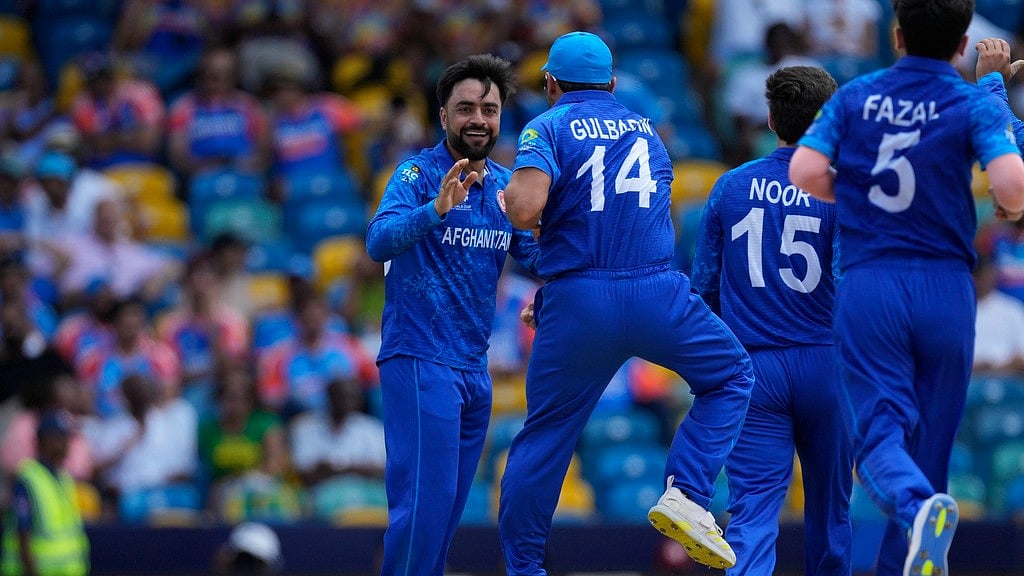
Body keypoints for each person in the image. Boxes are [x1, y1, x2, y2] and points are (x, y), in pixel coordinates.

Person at [497, 31, 754, 573]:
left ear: (550, 83)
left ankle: (524, 569)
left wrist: (507, 200)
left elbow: (525, 210)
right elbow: (651, 219)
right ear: (612, 84)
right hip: (656, 292)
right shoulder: (647, 130)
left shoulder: (548, 124)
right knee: (732, 376)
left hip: (581, 304)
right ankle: (688, 493)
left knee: (545, 440)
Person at [788, 2, 1024, 575]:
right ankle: (918, 554)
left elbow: (803, 171)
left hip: (874, 283)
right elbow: (1013, 188)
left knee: (878, 436)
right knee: (932, 448)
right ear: (964, 41)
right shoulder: (972, 101)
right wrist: (992, 87)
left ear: (895, 34)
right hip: (948, 288)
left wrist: (853, 190)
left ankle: (919, 510)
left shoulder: (854, 96)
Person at [364, 54, 540, 575]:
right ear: (443, 116)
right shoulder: (417, 174)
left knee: (444, 519)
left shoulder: (507, 188)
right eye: (465, 109)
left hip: (473, 370)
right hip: (419, 360)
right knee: (422, 510)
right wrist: (435, 209)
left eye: (489, 109)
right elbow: (377, 242)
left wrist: (563, 283)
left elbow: (535, 256)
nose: (478, 120)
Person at [691, 65, 850, 576]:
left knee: (752, 514)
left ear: (770, 119)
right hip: (828, 364)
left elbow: (705, 287)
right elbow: (852, 285)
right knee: (831, 514)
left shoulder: (731, 187)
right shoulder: (843, 191)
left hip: (753, 369)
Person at [0, 410, 90, 576]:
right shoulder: (27, 478)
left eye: (67, 438)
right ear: (42, 441)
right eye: (59, 438)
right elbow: (22, 535)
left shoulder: (64, 477)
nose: (65, 444)